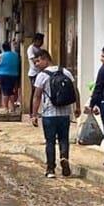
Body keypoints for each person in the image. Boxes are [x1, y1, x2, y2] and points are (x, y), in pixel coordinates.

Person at [31, 49, 81, 178]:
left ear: (46, 59)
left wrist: (34, 114)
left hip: (49, 115)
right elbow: (75, 91)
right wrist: (77, 107)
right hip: (65, 114)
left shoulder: (42, 76)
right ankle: (64, 158)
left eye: (38, 61)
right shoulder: (66, 72)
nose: (36, 64)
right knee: (64, 139)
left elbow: (36, 96)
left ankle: (51, 169)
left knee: (50, 141)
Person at [0, 42, 20, 114]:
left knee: (5, 92)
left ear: (3, 48)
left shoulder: (2, 55)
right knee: (11, 91)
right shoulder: (15, 55)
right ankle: (12, 108)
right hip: (14, 75)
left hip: (3, 75)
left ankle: (6, 108)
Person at [27, 33, 45, 117]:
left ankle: (37, 111)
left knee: (39, 93)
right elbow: (33, 60)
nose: (42, 42)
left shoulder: (38, 49)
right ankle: (32, 112)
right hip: (34, 73)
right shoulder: (31, 48)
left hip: (39, 73)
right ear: (36, 40)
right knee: (34, 93)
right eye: (40, 41)